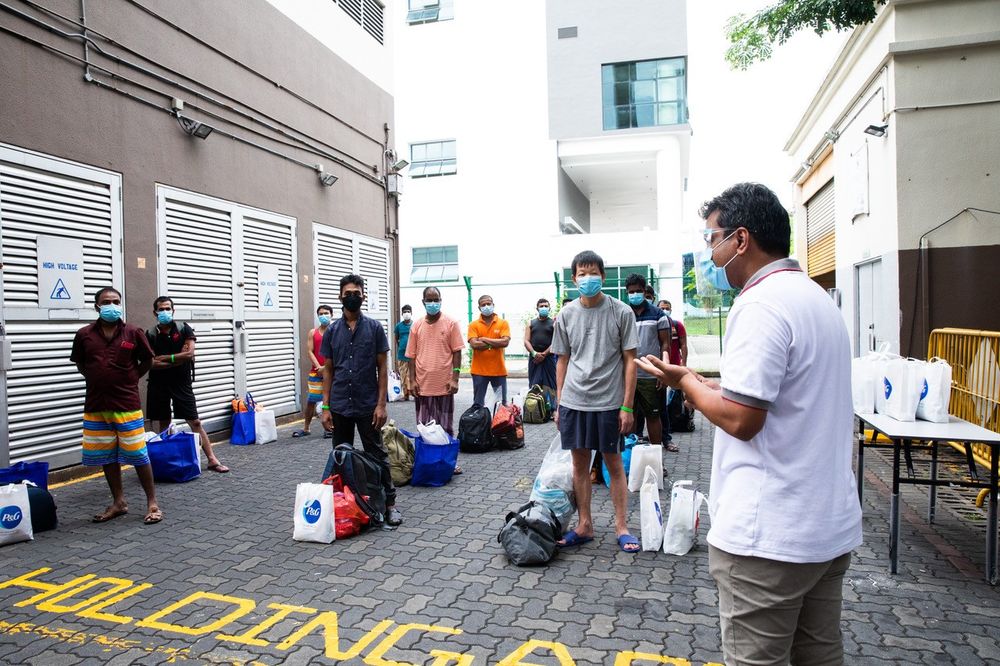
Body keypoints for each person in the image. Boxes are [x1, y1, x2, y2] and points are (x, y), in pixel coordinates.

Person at [636, 183, 863, 665]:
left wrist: (690, 390)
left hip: (770, 541)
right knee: (819, 657)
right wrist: (696, 381)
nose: (709, 252)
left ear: (740, 239)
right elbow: (779, 399)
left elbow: (742, 420)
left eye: (711, 238)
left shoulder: (760, 304)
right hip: (824, 530)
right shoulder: (815, 299)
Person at [550, 251, 639, 553]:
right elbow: (562, 361)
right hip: (575, 401)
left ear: (603, 276)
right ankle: (584, 524)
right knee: (579, 466)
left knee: (613, 464)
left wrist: (627, 406)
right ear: (574, 279)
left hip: (609, 403)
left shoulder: (621, 312)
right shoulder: (566, 315)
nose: (588, 279)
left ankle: (622, 526)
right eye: (582, 274)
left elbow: (630, 361)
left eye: (593, 273)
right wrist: (559, 402)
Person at [71, 286, 162, 525]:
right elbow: (80, 364)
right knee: (107, 455)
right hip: (96, 405)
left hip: (126, 403)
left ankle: (152, 502)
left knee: (139, 455)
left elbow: (148, 360)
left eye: (115, 301)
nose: (111, 305)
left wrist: (132, 378)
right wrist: (97, 378)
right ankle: (119, 502)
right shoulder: (84, 335)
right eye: (106, 301)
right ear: (97, 306)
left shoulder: (133, 332)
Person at [319, 274, 402, 527]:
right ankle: (344, 505)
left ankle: (389, 505)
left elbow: (382, 366)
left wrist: (381, 404)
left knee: (377, 454)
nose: (352, 297)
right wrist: (325, 406)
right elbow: (328, 370)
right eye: (348, 293)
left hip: (368, 405)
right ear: (340, 297)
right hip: (341, 404)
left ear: (363, 296)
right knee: (341, 455)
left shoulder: (375, 328)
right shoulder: (332, 331)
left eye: (356, 292)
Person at [146, 296, 229, 473]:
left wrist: (167, 358)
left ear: (173, 311)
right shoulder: (150, 334)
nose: (165, 312)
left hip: (181, 382)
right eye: (161, 309)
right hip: (158, 383)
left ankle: (212, 459)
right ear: (155, 312)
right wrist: (178, 358)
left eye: (168, 308)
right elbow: (151, 363)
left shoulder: (183, 328)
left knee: (195, 421)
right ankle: (168, 460)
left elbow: (190, 354)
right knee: (164, 422)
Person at [405, 286, 465, 473]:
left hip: (445, 385)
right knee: (425, 427)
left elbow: (457, 352)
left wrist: (455, 378)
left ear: (441, 300)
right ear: (423, 302)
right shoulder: (417, 325)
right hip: (423, 385)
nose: (433, 303)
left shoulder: (451, 323)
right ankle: (428, 461)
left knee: (445, 426)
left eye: (436, 299)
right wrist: (411, 380)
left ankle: (449, 462)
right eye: (429, 300)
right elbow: (411, 356)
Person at [624, 274, 674, 452]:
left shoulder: (658, 314)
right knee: (628, 416)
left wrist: (663, 371)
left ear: (645, 291)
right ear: (626, 293)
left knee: (654, 417)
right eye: (631, 292)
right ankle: (630, 458)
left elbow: (665, 345)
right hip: (627, 376)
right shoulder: (623, 313)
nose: (635, 294)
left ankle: (656, 459)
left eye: (638, 291)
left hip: (651, 377)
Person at [293, 304, 335, 438]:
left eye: (326, 313)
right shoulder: (313, 332)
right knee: (312, 400)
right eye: (321, 314)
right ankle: (306, 428)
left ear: (331, 315)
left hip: (332, 371)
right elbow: (310, 351)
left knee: (332, 401)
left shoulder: (336, 331)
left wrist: (326, 368)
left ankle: (331, 428)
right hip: (316, 372)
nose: (323, 316)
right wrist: (319, 367)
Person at [467, 294, 510, 407]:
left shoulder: (503, 323)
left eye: (488, 304)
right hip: (479, 371)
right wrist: (496, 343)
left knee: (501, 404)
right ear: (479, 307)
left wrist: (485, 339)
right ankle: (480, 424)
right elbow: (474, 344)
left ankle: (501, 425)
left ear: (493, 305)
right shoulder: (473, 325)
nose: (486, 306)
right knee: (478, 404)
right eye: (483, 304)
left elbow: (505, 342)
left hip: (498, 371)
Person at [524, 298, 556, 392]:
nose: (544, 308)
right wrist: (534, 353)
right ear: (537, 308)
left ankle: (550, 406)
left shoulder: (554, 323)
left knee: (550, 385)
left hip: (549, 358)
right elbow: (526, 341)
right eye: (541, 306)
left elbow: (556, 341)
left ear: (549, 308)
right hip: (534, 359)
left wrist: (544, 354)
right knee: (534, 384)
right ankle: (535, 405)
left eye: (546, 306)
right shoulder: (531, 323)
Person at [658, 300, 688, 367]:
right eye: (662, 309)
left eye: (667, 309)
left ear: (670, 310)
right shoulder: (654, 326)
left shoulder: (678, 325)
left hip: (675, 365)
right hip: (659, 364)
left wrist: (684, 362)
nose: (664, 310)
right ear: (657, 310)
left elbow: (683, 345)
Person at [394, 305, 414, 401]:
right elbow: (396, 338)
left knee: (413, 374)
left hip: (413, 355)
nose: (407, 313)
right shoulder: (398, 326)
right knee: (403, 374)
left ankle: (414, 393)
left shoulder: (415, 325)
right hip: (402, 354)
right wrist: (401, 347)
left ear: (411, 313)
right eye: (405, 312)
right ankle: (405, 394)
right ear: (402, 314)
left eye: (408, 311)